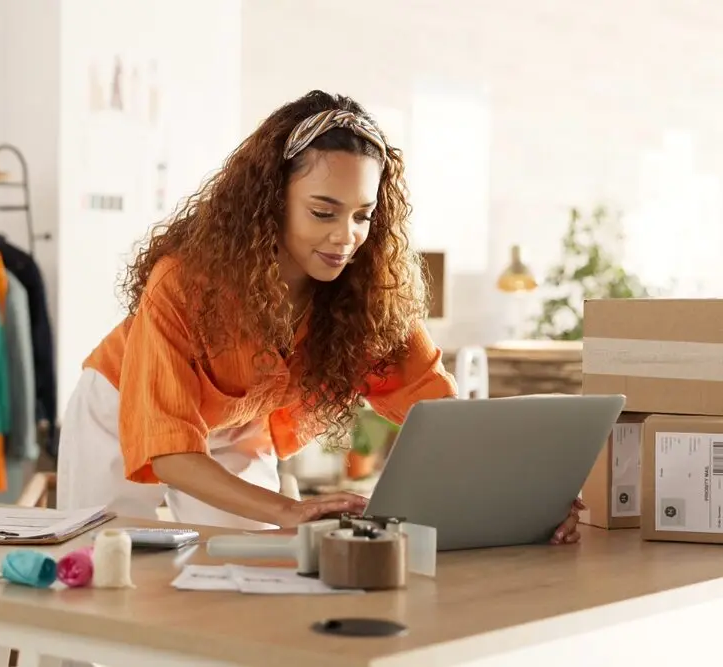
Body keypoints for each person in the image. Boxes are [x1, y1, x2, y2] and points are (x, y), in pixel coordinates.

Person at [57, 90, 583, 543]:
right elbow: (169, 450)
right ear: (271, 200)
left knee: (251, 578)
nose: (345, 237)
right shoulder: (183, 282)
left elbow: (442, 414)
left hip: (234, 428)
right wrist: (288, 509)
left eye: (362, 215)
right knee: (101, 565)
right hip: (120, 406)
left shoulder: (369, 297)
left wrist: (530, 494)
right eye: (322, 211)